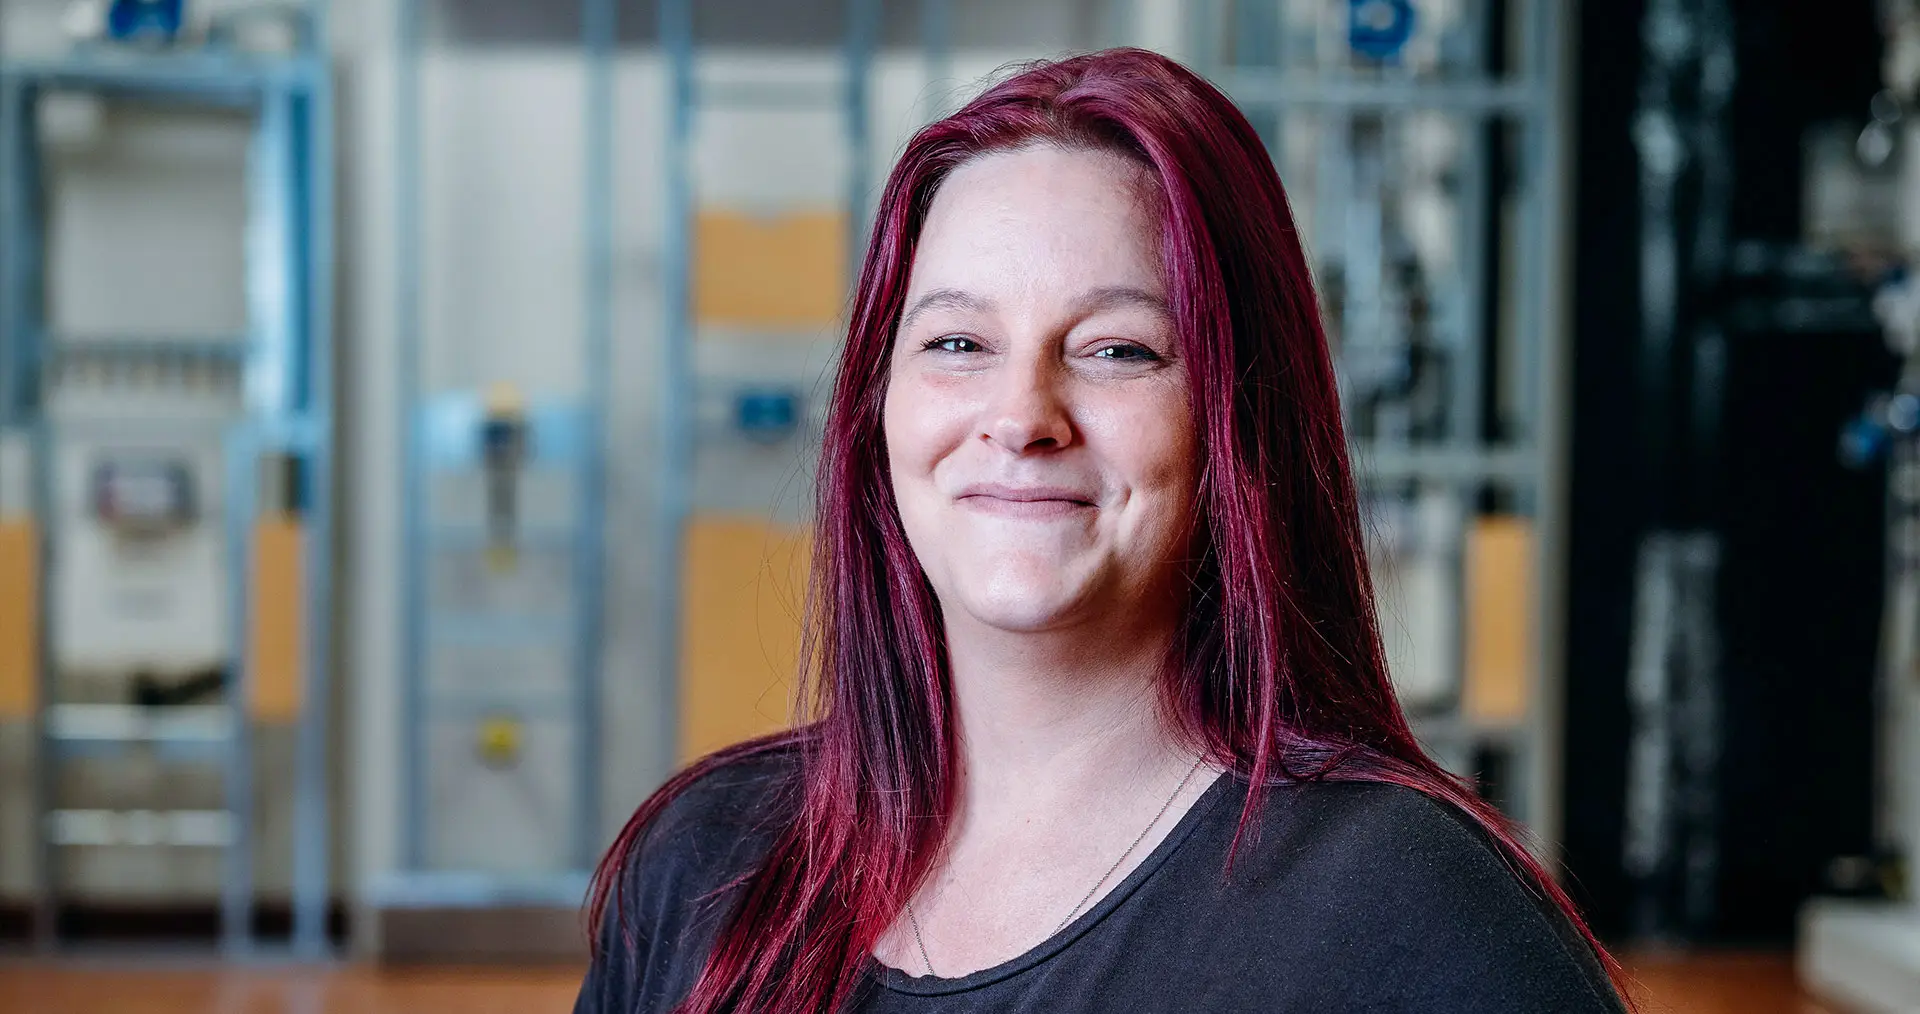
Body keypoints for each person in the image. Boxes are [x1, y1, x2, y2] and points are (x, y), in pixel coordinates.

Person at [577, 48, 1631, 1014]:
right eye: (956, 341)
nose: (1022, 417)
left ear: (1238, 420)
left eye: (1118, 350)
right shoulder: (707, 864)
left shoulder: (1408, 918)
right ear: (875, 407)